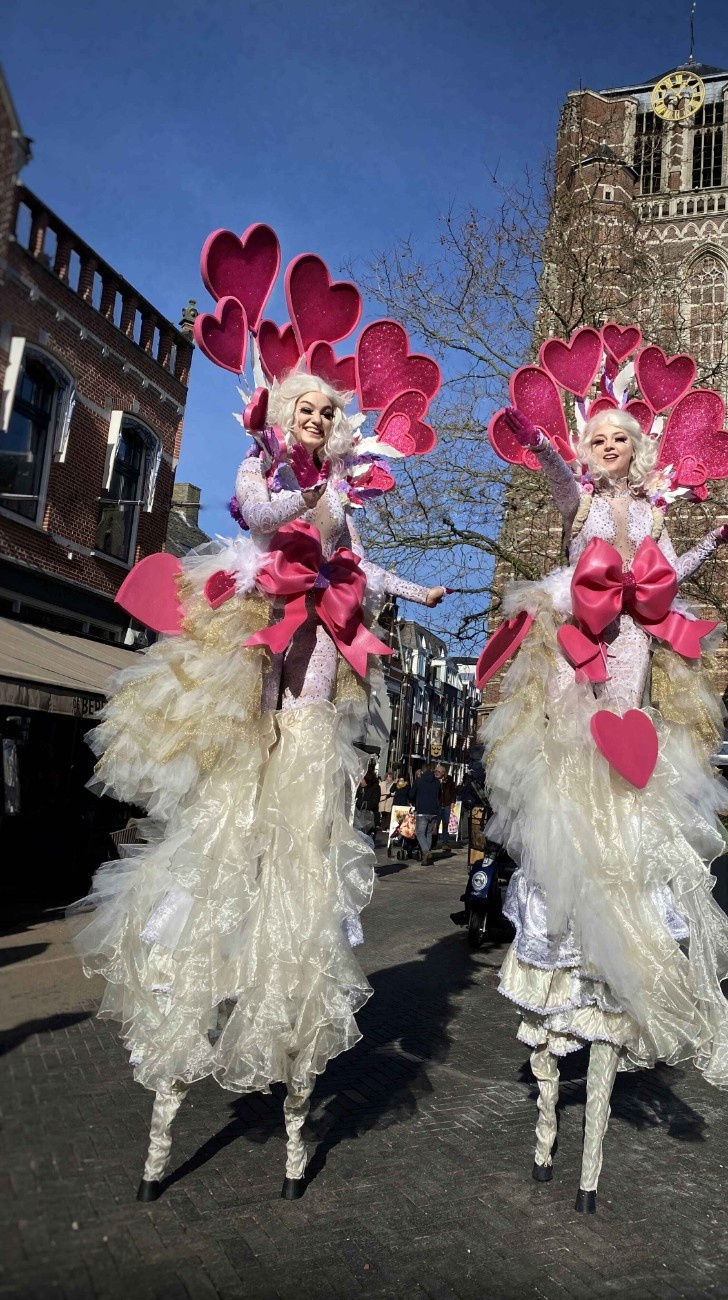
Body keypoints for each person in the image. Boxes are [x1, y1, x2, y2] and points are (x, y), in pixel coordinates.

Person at [70, 245, 448, 1205]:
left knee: (312, 728)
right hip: (257, 609)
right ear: (283, 416)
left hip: (320, 628)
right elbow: (255, 509)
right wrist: (306, 489)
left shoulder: (340, 493)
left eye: (327, 413)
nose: (316, 420)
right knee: (243, 720)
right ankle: (242, 781)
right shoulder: (267, 465)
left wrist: (414, 591)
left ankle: (292, 818)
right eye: (305, 410)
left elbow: (355, 562)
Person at [479, 355, 728, 1212]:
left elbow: (668, 577)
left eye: (618, 438)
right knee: (572, 787)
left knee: (630, 777)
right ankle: (550, 1089)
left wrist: (714, 542)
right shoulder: (577, 500)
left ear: (635, 449)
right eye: (597, 437)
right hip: (579, 654)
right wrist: (540, 442)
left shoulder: (650, 509)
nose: (607, 446)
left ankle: (618, 972)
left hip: (634, 652)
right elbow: (558, 480)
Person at [409, 763, 442, 865]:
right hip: (434, 811)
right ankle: (425, 858)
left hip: (422, 811)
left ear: (422, 771)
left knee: (420, 833)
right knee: (428, 833)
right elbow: (439, 796)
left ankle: (426, 851)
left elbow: (411, 795)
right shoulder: (437, 782)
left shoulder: (419, 781)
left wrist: (413, 801)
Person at [435, 764, 456, 848]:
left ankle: (445, 843)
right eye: (435, 771)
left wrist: (452, 802)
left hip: (446, 804)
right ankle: (433, 842)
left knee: (445, 824)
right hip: (437, 805)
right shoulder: (434, 780)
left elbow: (453, 792)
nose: (436, 773)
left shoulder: (449, 780)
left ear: (443, 773)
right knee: (435, 824)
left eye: (438, 771)